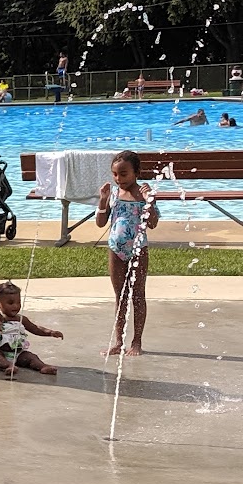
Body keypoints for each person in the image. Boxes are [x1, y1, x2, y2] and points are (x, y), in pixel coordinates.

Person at [95, 150, 159, 354]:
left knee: (138, 295)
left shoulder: (144, 195)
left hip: (138, 250)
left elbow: (153, 223)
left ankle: (136, 342)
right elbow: (100, 223)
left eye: (123, 174)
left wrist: (150, 202)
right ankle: (118, 342)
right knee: (120, 297)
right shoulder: (114, 194)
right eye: (115, 174)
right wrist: (103, 200)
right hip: (115, 250)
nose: (118, 179)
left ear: (137, 173)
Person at [0, 281, 61, 378]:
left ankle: (43, 366)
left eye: (18, 302)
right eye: (10, 303)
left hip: (18, 354)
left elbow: (35, 328)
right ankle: (8, 366)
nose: (15, 306)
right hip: (1, 352)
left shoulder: (21, 319)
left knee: (30, 357)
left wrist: (50, 332)